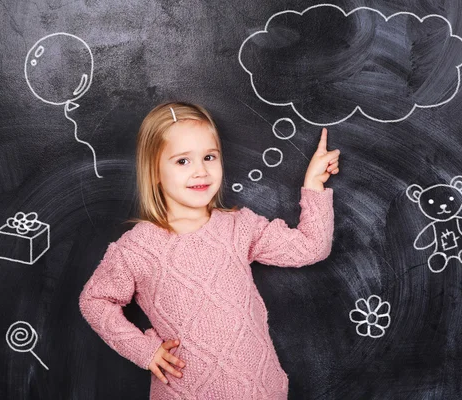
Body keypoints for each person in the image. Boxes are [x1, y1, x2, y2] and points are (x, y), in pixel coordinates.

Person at [79, 102, 340, 399]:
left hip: (259, 389)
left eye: (209, 157)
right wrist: (144, 351)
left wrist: (314, 185)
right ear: (154, 171)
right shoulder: (137, 247)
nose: (200, 171)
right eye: (182, 161)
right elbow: (95, 300)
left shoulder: (238, 226)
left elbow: (310, 248)